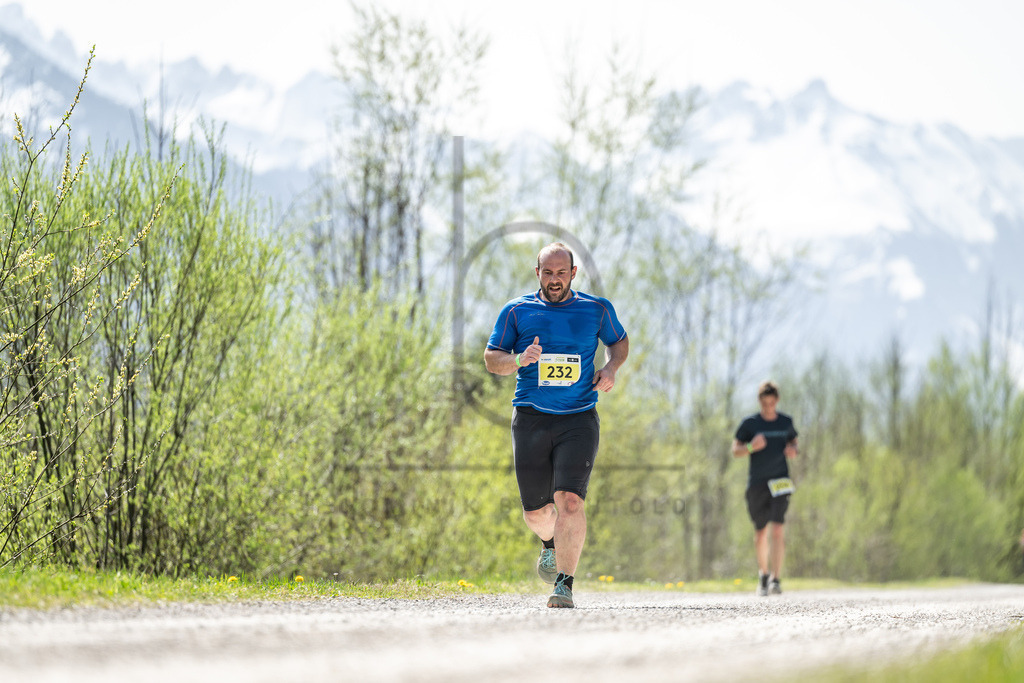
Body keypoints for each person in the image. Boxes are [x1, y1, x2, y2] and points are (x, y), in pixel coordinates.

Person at [484, 242, 628, 608]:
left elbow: (619, 343)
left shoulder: (595, 309)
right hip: (531, 418)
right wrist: (517, 359)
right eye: (547, 273)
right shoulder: (517, 311)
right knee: (536, 512)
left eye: (561, 273)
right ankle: (549, 543)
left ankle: (564, 584)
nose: (554, 280)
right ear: (537, 274)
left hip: (579, 418)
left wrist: (610, 368)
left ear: (573, 273)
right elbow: (491, 359)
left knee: (570, 502)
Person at [731, 381, 799, 596]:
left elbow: (795, 443)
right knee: (761, 533)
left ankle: (776, 579)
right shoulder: (750, 423)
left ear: (777, 401)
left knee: (778, 529)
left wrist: (792, 450)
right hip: (758, 483)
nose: (768, 407)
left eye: (772, 403)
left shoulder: (786, 422)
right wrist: (751, 446)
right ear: (760, 402)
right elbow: (735, 450)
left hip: (780, 481)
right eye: (764, 403)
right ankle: (763, 574)